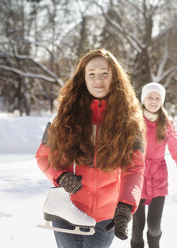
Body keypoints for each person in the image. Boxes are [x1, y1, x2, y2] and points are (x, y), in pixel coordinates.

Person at [35, 49, 146, 248]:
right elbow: (43, 156)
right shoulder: (63, 116)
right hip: (68, 210)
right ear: (83, 79)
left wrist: (125, 206)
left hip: (106, 217)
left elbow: (135, 169)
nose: (98, 80)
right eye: (91, 74)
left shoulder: (131, 123)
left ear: (115, 77)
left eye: (104, 73)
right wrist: (61, 177)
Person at [130, 82, 177, 248]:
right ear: (143, 99)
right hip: (137, 177)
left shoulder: (166, 123)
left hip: (158, 177)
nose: (153, 101)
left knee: (154, 226)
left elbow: (175, 145)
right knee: (137, 226)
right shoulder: (134, 121)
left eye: (157, 98)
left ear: (162, 100)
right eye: (150, 97)